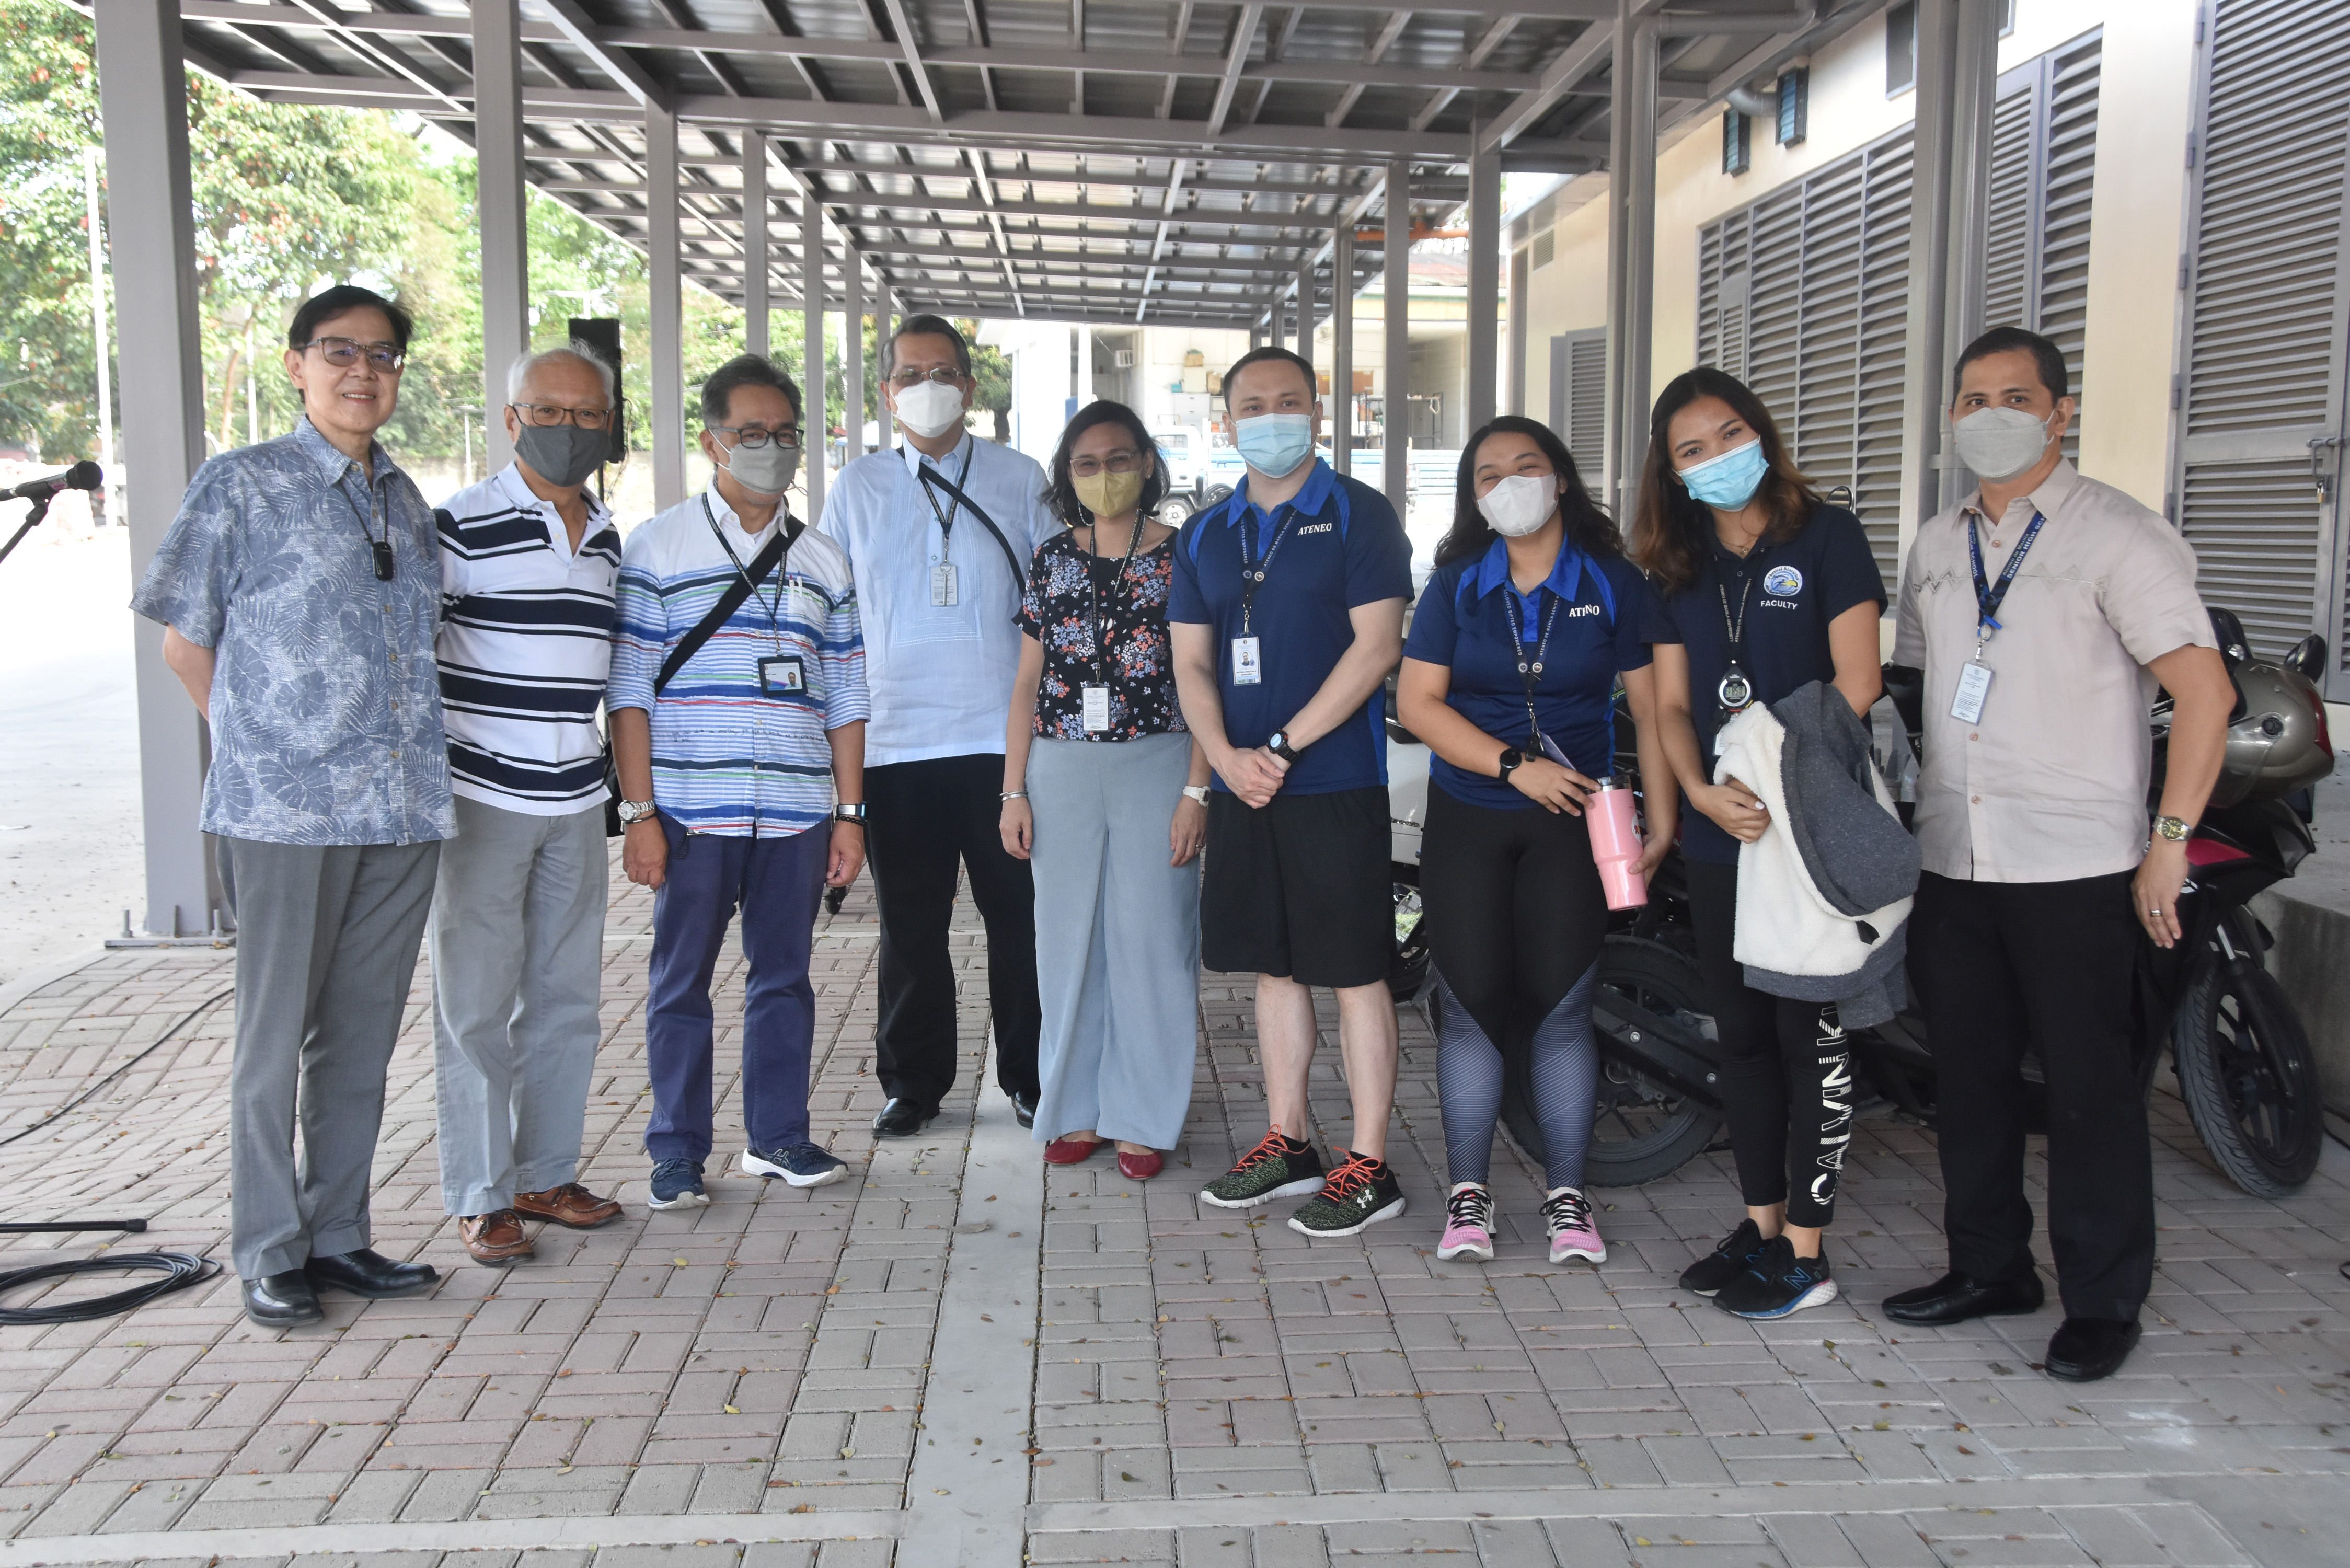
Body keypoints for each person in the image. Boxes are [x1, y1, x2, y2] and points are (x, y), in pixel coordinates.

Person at [1886, 327, 2231, 1382]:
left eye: (2015, 396)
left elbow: (2205, 696)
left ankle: (2102, 1298)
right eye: (1973, 398)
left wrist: (2168, 845)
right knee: (1973, 1082)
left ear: (2057, 413)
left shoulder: (2119, 538)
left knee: (2089, 1091)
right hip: (1957, 854)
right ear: (1950, 417)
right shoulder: (1936, 545)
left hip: (2078, 864)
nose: (1991, 414)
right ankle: (1989, 1266)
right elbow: (1911, 689)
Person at [132, 284, 447, 1327]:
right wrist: (263, 749)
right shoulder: (243, 486)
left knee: (359, 1038)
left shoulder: (404, 496)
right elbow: (186, 639)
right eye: (340, 351)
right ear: (297, 365)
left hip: (400, 810)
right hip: (282, 816)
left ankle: (339, 1236)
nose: (364, 371)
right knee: (273, 1040)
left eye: (383, 355)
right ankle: (267, 1246)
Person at [1634, 367, 1886, 1320]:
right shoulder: (1671, 563)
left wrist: (1775, 782)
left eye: (1728, 436)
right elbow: (1663, 701)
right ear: (1670, 468)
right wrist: (1699, 788)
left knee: (1802, 1037)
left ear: (1762, 436)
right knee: (1739, 1039)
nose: (1715, 459)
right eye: (1691, 450)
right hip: (1720, 829)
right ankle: (1762, 1221)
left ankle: (1809, 1253)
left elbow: (1856, 681)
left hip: (1807, 827)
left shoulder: (1827, 536)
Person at [1396, 417, 1673, 1266]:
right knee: (1471, 1013)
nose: (1508, 482)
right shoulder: (1454, 587)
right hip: (1470, 817)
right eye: (1488, 474)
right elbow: (1418, 705)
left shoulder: (1616, 582)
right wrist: (1513, 766)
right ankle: (1468, 1197)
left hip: (1576, 826)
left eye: (1527, 465)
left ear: (1561, 480)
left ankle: (1567, 1200)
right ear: (1474, 496)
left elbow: (1659, 710)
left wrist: (1661, 819)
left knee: (1560, 1015)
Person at [609, 354, 870, 1209]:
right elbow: (629, 690)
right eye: (750, 434)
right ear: (711, 441)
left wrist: (849, 813)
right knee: (679, 982)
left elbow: (846, 695)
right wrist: (639, 811)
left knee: (785, 978)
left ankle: (778, 1137)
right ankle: (677, 1150)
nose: (770, 449)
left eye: (785, 435)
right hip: (690, 810)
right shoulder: (658, 548)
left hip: (796, 809)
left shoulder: (825, 559)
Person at [1168, 346, 1412, 1238]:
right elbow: (1190, 662)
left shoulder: (1359, 514)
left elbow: (1377, 647)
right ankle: (1288, 1140)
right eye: (1253, 405)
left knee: (1352, 970)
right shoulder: (1205, 532)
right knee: (1274, 965)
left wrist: (1276, 746)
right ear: (1226, 422)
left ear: (1316, 411)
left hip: (1334, 780)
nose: (1272, 417)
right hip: (1245, 784)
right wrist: (1226, 758)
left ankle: (1370, 1160)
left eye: (1289, 401)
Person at [819, 315, 1057, 1138]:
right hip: (895, 743)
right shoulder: (856, 488)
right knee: (910, 925)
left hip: (1002, 743)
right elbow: (830, 611)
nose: (930, 386)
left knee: (1019, 918)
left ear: (970, 385)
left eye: (945, 371)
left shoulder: (1022, 479)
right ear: (887, 393)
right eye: (912, 373)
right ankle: (913, 1084)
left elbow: (1055, 601)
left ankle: (1031, 1077)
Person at [428, 344, 627, 1267]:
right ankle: (480, 1192)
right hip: (484, 799)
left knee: (566, 999)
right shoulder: (457, 528)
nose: (570, 430)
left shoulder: (608, 537)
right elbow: (413, 660)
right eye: (550, 412)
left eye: (590, 416)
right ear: (512, 419)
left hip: (577, 799)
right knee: (475, 1004)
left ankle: (544, 1175)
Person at [1000, 401, 1212, 1182]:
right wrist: (1011, 790)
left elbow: (1204, 682)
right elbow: (1026, 682)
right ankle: (1073, 1108)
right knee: (1065, 944)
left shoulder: (1187, 557)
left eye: (1119, 460)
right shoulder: (1051, 557)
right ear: (1067, 476)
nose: (1104, 476)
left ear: (1149, 463)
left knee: (1154, 940)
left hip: (1159, 761)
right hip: (1060, 766)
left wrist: (1199, 790)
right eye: (1086, 465)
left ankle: (1143, 1116)